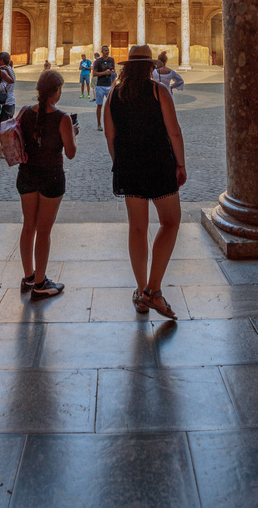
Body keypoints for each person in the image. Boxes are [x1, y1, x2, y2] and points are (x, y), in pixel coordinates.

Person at [104, 44, 186, 320]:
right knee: (170, 221)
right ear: (150, 67)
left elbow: (110, 136)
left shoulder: (113, 94)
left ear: (127, 67)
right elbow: (174, 132)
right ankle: (154, 288)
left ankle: (141, 292)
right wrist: (181, 163)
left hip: (129, 166)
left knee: (137, 228)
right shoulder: (158, 90)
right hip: (159, 162)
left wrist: (121, 162)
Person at [15, 69, 76, 300]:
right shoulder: (63, 118)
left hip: (26, 175)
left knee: (28, 226)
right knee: (44, 230)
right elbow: (70, 153)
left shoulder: (24, 112)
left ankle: (28, 276)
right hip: (51, 178)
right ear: (57, 91)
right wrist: (74, 133)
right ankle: (40, 283)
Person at [92, 45, 116, 130]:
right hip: (100, 86)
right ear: (102, 52)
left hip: (109, 85)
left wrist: (111, 72)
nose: (107, 52)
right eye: (105, 50)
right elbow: (94, 74)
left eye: (108, 50)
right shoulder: (98, 61)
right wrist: (104, 73)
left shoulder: (111, 60)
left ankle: (112, 124)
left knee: (112, 105)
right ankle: (99, 124)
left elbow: (114, 71)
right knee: (99, 105)